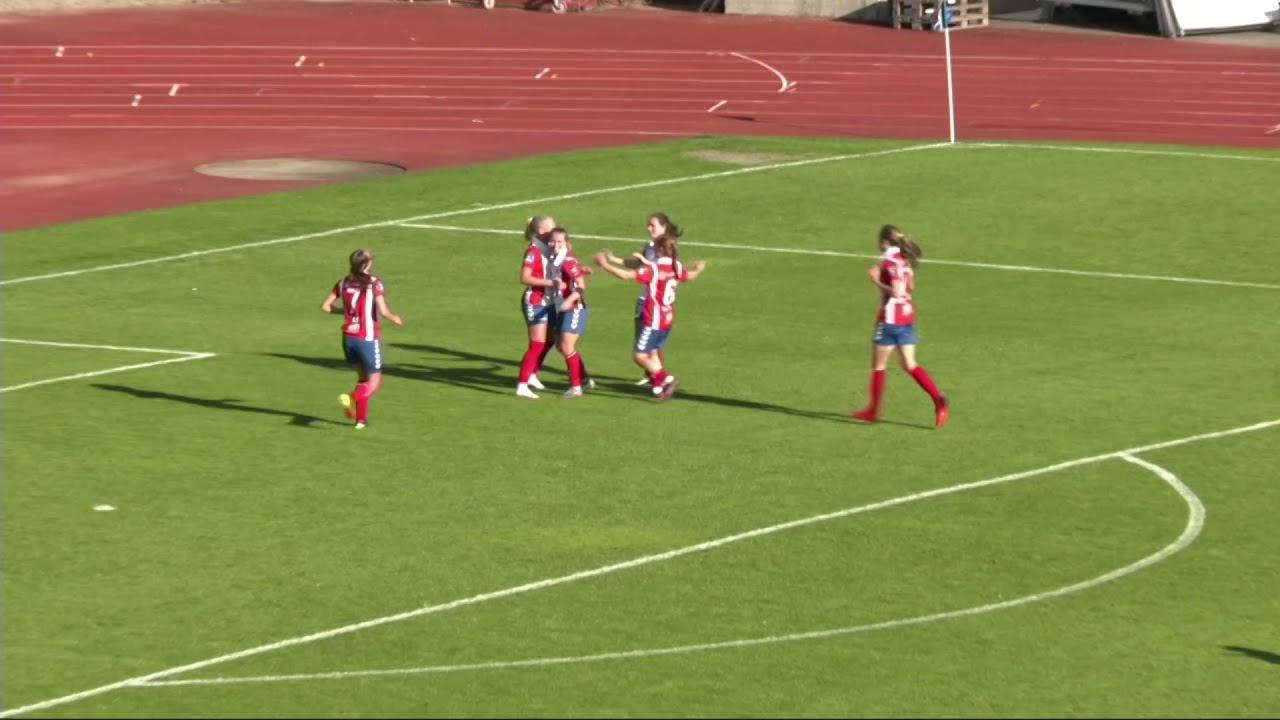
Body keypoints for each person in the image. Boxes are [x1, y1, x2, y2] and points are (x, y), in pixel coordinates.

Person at [849, 224, 949, 427]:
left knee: (878, 366)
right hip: (907, 317)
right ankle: (938, 400)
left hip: (889, 319)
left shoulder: (887, 260)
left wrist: (876, 281)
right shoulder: (905, 259)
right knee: (910, 365)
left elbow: (896, 292)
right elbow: (910, 286)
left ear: (884, 241)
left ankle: (873, 411)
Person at [594, 233, 705, 401]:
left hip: (652, 319)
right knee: (652, 353)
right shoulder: (676, 266)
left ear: (660, 249)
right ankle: (658, 390)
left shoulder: (653, 269)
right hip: (667, 320)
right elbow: (690, 276)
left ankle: (667, 379)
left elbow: (625, 275)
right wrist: (698, 268)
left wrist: (604, 265)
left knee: (639, 355)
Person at [320, 249, 404, 429]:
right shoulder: (374, 283)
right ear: (366, 263)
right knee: (374, 382)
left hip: (348, 338)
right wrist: (394, 317)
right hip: (367, 338)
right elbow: (383, 311)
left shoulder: (343, 283)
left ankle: (360, 420)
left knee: (362, 380)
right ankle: (349, 398)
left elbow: (325, 307)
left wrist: (344, 311)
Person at [610, 212, 682, 386]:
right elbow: (637, 264)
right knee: (642, 339)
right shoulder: (650, 246)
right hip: (644, 298)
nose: (649, 228)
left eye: (653, 225)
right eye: (648, 225)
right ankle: (653, 375)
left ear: (663, 227)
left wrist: (646, 263)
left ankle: (659, 377)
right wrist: (613, 259)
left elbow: (664, 270)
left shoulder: (667, 247)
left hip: (655, 301)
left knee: (649, 344)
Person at [516, 215, 563, 399]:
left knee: (551, 339)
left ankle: (532, 374)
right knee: (537, 343)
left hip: (548, 300)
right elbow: (524, 278)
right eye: (552, 228)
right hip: (534, 301)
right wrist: (550, 283)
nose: (555, 231)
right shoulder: (533, 251)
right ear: (541, 231)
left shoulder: (547, 249)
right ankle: (521, 385)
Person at [548, 228, 590, 398]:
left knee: (567, 346)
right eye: (553, 241)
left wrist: (568, 300)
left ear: (566, 242)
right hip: (563, 308)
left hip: (574, 309)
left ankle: (575, 387)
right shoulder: (556, 257)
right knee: (559, 345)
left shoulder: (567, 260)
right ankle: (585, 378)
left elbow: (581, 286)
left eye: (559, 242)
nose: (555, 244)